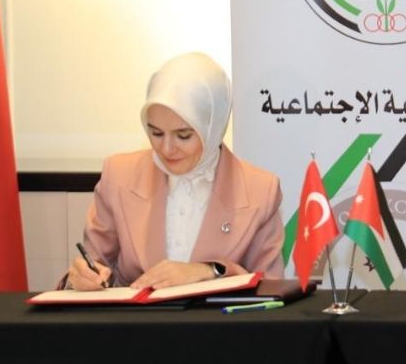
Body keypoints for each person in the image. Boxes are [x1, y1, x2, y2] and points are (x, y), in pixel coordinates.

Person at [66, 52, 284, 291]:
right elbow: (95, 266)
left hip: (217, 317)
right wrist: (83, 278)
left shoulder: (259, 190)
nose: (167, 149)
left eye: (183, 135)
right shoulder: (119, 176)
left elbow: (271, 290)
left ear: (213, 126)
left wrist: (210, 271)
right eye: (156, 133)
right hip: (137, 315)